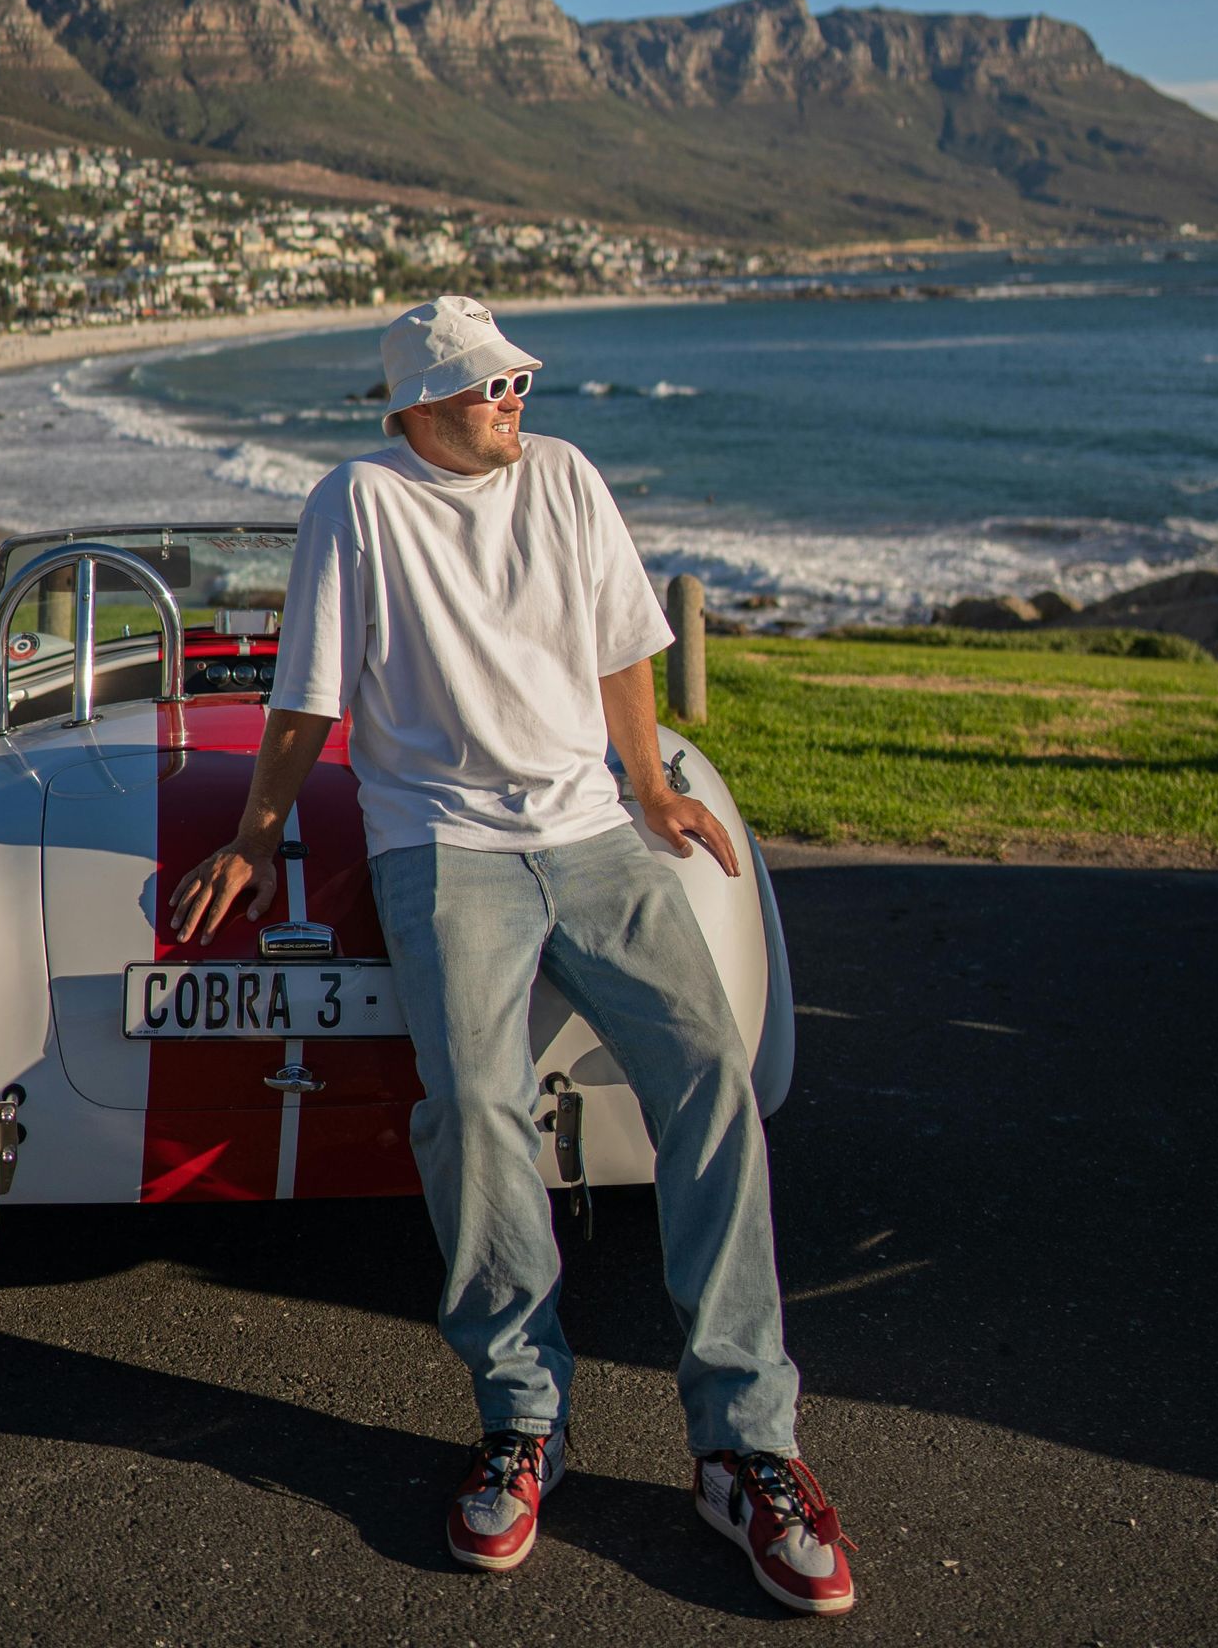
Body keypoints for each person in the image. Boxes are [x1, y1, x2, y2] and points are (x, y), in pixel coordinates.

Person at [171, 295, 854, 1615]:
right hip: (442, 844)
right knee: (476, 1111)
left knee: (712, 1074)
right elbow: (308, 696)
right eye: (490, 387)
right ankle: (521, 1416)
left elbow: (621, 649)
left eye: (520, 381)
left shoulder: (570, 478)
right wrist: (257, 837)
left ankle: (747, 1442)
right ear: (419, 403)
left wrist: (649, 787)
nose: (514, 403)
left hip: (590, 826)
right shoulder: (357, 503)